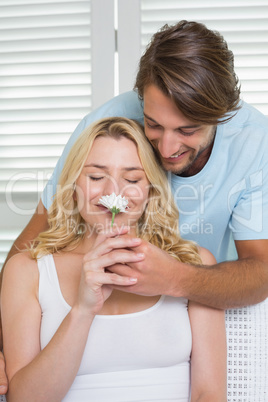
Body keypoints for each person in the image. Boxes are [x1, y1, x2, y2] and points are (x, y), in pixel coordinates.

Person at [1, 20, 268, 398]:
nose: (166, 148)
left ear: (221, 115)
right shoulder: (104, 125)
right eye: (154, 126)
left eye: (187, 130)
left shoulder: (255, 144)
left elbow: (261, 271)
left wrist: (175, 279)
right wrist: (7, 341)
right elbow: (31, 244)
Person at [1, 117, 227, 401]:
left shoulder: (195, 265)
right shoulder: (27, 271)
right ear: (73, 186)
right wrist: (83, 310)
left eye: (132, 179)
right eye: (96, 177)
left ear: (150, 191)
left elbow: (210, 393)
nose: (113, 193)